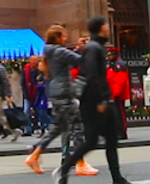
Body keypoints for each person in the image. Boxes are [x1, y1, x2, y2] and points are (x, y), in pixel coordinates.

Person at [54, 16, 130, 184]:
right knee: (92, 141)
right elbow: (93, 75)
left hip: (96, 100)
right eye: (107, 26)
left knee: (110, 139)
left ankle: (117, 177)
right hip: (95, 102)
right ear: (102, 28)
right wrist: (103, 100)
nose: (109, 29)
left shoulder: (96, 47)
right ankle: (65, 169)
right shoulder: (95, 48)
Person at [25, 24, 93, 176]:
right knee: (77, 126)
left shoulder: (49, 52)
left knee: (57, 127)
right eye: (63, 36)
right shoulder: (59, 51)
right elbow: (80, 61)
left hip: (55, 93)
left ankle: (34, 155)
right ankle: (80, 162)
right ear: (57, 37)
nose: (65, 38)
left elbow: (68, 57)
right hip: (65, 93)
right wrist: (87, 48)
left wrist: (78, 48)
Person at [106, 49, 130, 139]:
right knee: (115, 114)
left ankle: (121, 132)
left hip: (116, 94)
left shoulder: (119, 64)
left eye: (110, 55)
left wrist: (116, 93)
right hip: (112, 93)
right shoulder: (112, 64)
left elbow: (120, 80)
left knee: (119, 114)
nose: (109, 57)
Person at [23, 55, 39, 135]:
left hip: (37, 94)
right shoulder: (26, 69)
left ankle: (37, 127)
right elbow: (22, 81)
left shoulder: (39, 69)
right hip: (27, 94)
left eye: (36, 60)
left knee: (38, 111)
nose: (34, 62)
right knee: (26, 111)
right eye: (33, 60)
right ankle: (27, 129)